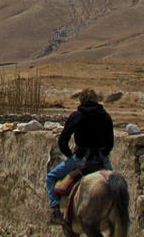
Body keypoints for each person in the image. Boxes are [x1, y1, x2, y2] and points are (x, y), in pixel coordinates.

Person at [45, 88, 114, 224]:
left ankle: (56, 211)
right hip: (101, 160)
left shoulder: (77, 116)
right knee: (115, 185)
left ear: (81, 100)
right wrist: (103, 154)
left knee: (51, 177)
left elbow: (63, 140)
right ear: (96, 100)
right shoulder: (105, 116)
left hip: (81, 159)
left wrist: (69, 155)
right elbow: (110, 142)